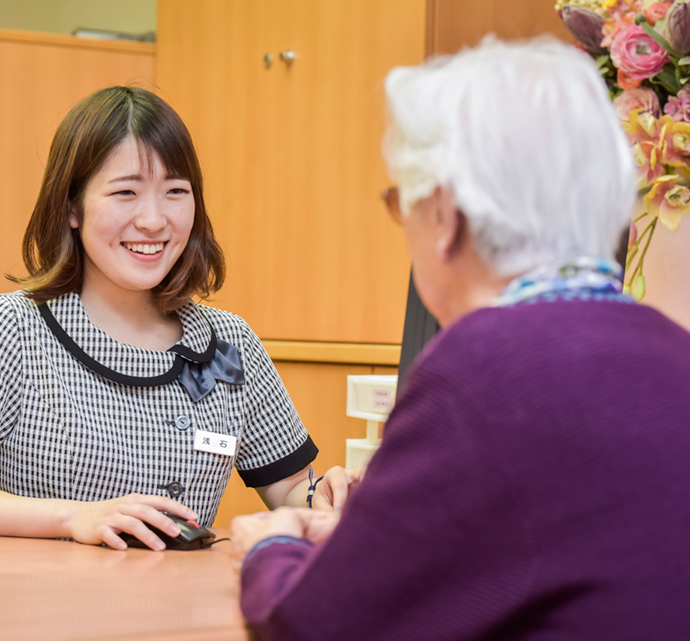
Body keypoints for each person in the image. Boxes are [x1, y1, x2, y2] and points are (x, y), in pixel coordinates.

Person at [230, 37, 690, 639]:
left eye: (404, 205)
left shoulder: (484, 367)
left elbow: (314, 624)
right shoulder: (671, 351)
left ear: (445, 216)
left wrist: (272, 549)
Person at [0, 86, 356, 551]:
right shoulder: (12, 325)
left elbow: (290, 489)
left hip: (181, 611)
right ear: (72, 207)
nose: (154, 220)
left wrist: (325, 495)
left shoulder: (228, 344)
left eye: (175, 191)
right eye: (125, 193)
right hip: (45, 609)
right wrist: (75, 516)